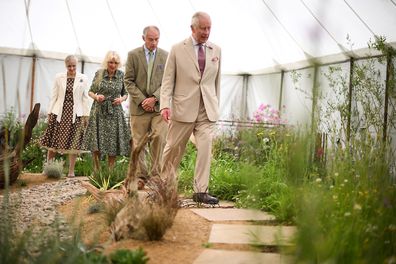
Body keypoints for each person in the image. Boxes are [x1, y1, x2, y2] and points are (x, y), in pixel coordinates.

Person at [160, 12, 222, 204]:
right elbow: (168, 80)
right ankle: (163, 186)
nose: (206, 32)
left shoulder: (216, 50)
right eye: (203, 28)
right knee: (173, 149)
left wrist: (216, 105)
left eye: (209, 28)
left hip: (206, 110)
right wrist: (164, 105)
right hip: (182, 108)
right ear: (192, 28)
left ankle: (200, 191)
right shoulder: (178, 49)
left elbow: (216, 82)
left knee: (205, 149)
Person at [124, 26, 168, 187]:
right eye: (151, 39)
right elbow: (128, 81)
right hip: (139, 108)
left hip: (158, 108)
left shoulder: (166, 56)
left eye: (157, 39)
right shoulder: (133, 55)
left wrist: (154, 98)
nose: (154, 42)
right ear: (143, 38)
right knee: (139, 142)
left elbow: (168, 82)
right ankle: (140, 177)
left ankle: (156, 176)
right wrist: (143, 100)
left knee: (159, 138)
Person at [40, 55, 90, 177]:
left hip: (76, 113)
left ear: (76, 65)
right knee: (53, 141)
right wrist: (50, 112)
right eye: (69, 66)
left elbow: (85, 98)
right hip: (59, 113)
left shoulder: (83, 78)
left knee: (74, 143)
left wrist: (86, 115)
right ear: (65, 65)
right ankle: (48, 169)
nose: (72, 68)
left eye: (74, 66)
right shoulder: (59, 77)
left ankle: (71, 172)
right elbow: (54, 96)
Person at [83, 51, 131, 172]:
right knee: (96, 142)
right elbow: (90, 91)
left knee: (113, 142)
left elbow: (125, 93)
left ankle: (110, 172)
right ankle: (96, 171)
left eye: (115, 63)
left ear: (118, 64)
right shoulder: (99, 74)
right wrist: (96, 97)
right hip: (99, 111)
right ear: (106, 62)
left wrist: (121, 99)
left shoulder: (121, 75)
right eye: (110, 62)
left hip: (115, 112)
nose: (113, 65)